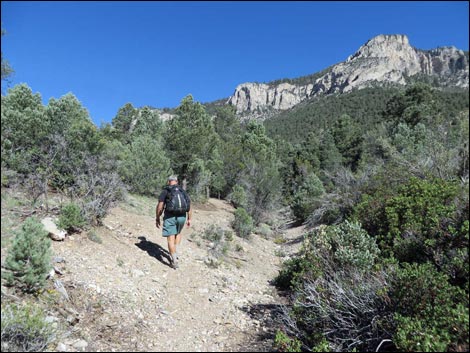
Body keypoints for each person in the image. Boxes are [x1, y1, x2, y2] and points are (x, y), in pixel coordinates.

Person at [155, 176, 191, 269]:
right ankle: (176, 251)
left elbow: (160, 206)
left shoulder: (166, 191)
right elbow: (189, 205)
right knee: (178, 233)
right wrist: (189, 219)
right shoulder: (183, 191)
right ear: (177, 181)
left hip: (170, 217)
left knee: (170, 238)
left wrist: (158, 217)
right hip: (182, 216)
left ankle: (174, 260)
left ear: (168, 182)